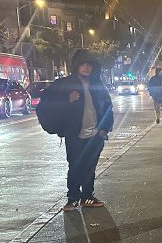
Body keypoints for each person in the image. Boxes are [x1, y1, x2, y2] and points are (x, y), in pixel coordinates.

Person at [40, 49, 114, 211]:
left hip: (95, 135)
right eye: (82, 64)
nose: (86, 68)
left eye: (89, 65)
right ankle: (73, 198)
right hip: (75, 135)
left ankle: (87, 197)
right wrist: (66, 99)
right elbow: (46, 104)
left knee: (90, 167)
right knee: (75, 166)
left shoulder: (97, 85)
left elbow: (108, 107)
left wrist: (104, 129)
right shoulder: (65, 84)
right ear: (76, 66)